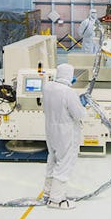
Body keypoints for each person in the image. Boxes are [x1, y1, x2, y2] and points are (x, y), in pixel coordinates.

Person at [42, 63, 87, 209]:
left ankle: (48, 193)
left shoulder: (47, 87)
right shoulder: (68, 92)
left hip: (51, 129)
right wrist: (82, 104)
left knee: (53, 159)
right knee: (64, 163)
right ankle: (57, 200)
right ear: (70, 76)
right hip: (66, 132)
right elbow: (79, 114)